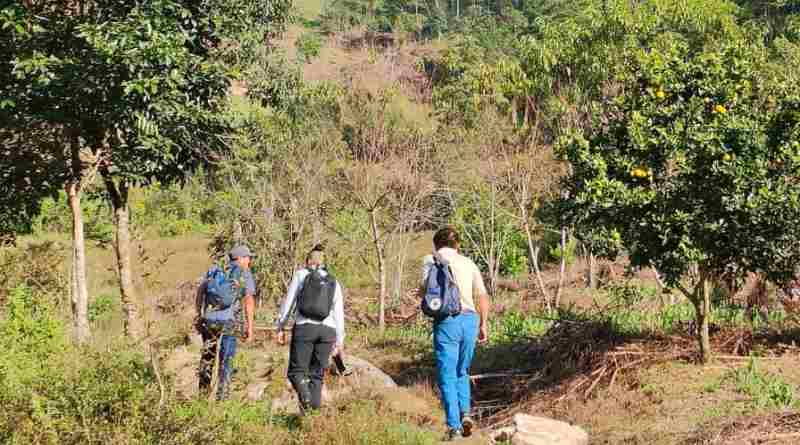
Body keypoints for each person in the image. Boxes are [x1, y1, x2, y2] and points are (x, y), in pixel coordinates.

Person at [421, 227, 490, 440]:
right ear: (457, 245)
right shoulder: (468, 263)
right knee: (462, 370)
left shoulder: (430, 260)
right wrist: (483, 325)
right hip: (470, 321)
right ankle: (466, 413)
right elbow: (483, 296)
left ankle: (454, 426)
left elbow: (425, 289)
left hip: (447, 321)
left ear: (436, 244)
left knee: (447, 375)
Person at [276, 246, 345, 413]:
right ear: (323, 262)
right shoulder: (333, 281)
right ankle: (311, 414)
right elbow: (338, 312)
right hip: (327, 331)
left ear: (308, 261)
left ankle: (306, 399)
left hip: (305, 327)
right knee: (317, 376)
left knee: (296, 372)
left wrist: (280, 326)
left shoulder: (301, 275)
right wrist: (340, 339)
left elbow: (289, 302)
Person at [196, 245, 256, 400]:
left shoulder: (215, 269)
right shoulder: (244, 273)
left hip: (209, 320)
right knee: (227, 359)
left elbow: (200, 292)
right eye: (248, 257)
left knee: (207, 356)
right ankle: (222, 397)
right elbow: (248, 301)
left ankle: (202, 394)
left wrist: (199, 315)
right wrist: (250, 327)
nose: (249, 260)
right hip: (229, 321)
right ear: (241, 258)